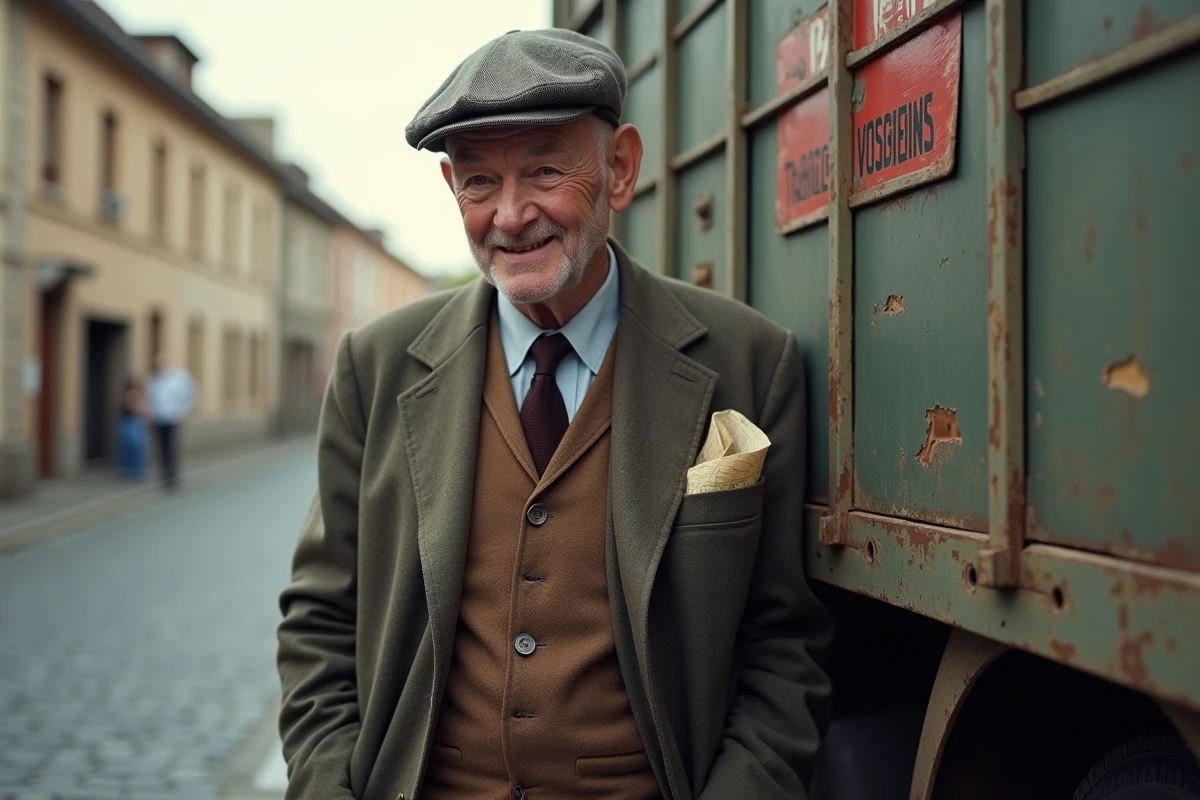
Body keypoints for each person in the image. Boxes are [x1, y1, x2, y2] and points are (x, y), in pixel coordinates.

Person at [275, 28, 833, 800]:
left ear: (620, 168)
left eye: (544, 169)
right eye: (478, 183)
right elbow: (319, 625)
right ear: (452, 190)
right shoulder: (375, 368)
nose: (509, 215)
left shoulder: (747, 362)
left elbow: (785, 644)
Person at [145, 353, 196, 490]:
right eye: (158, 363)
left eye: (162, 362)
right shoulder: (154, 379)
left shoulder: (178, 377)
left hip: (173, 418)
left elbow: (189, 394)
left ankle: (173, 476)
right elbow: (150, 398)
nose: (160, 365)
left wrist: (184, 411)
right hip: (159, 418)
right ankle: (164, 475)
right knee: (161, 448)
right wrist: (150, 413)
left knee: (171, 447)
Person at [116, 377, 148, 480]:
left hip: (129, 421)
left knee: (130, 446)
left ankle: (129, 469)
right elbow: (137, 408)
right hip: (132, 421)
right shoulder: (131, 394)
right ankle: (135, 469)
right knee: (135, 446)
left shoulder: (126, 395)